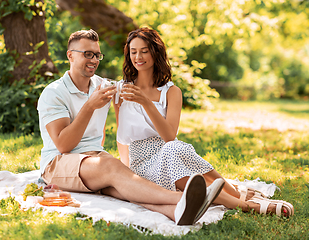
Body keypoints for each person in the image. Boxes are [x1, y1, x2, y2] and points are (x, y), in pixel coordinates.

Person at [37, 29, 224, 226]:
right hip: (58, 163)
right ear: (70, 55)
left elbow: (127, 110)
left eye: (97, 55)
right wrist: (90, 106)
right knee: (112, 167)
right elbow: (63, 146)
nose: (93, 60)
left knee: (128, 186)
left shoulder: (102, 86)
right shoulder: (54, 93)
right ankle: (182, 198)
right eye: (87, 54)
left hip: (92, 158)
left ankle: (176, 212)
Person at [114, 27, 294, 219]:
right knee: (174, 151)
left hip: (169, 151)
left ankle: (232, 191)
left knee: (173, 148)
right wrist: (126, 169)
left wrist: (146, 102)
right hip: (142, 164)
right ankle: (242, 203)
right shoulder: (121, 90)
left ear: (155, 52)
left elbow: (169, 136)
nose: (138, 57)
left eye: (144, 51)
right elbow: (121, 133)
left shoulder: (171, 92)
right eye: (133, 52)